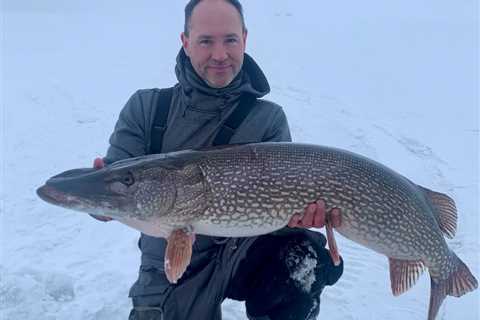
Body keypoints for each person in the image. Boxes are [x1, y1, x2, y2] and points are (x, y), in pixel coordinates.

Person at [92, 0, 343, 319]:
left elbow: (275, 214)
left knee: (301, 256)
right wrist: (98, 202)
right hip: (169, 260)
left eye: (230, 40)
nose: (220, 55)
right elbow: (118, 185)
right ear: (185, 42)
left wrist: (297, 217)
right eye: (206, 41)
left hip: (242, 251)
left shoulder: (267, 120)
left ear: (245, 39)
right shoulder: (147, 109)